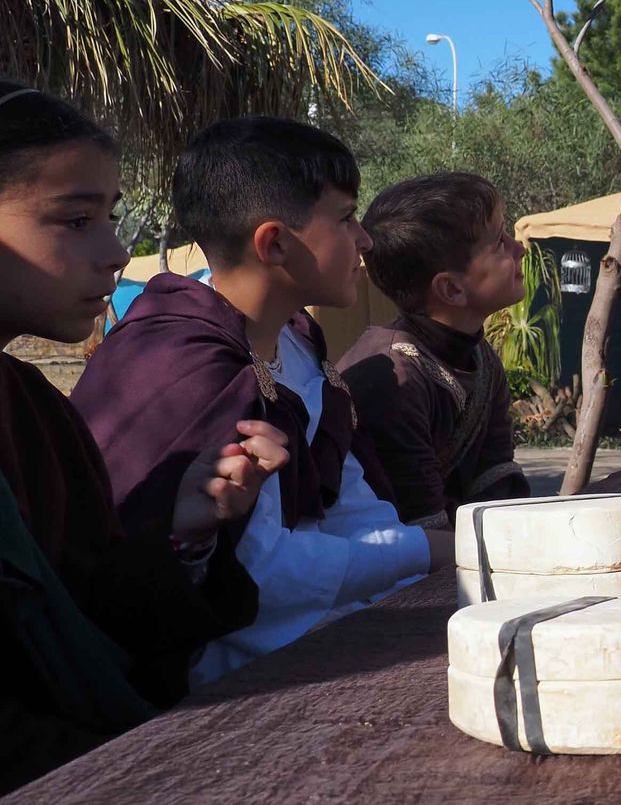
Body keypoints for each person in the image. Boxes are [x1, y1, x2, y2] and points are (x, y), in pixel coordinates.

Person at [73, 117, 451, 686]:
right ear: (274, 243)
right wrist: (429, 551)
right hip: (213, 681)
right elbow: (260, 576)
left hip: (319, 637)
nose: (365, 240)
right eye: (346, 218)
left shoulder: (296, 340)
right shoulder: (182, 360)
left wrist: (433, 554)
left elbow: (347, 504)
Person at [0, 83, 287, 792]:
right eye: (75, 220)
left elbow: (96, 619)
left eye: (111, 216)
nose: (114, 251)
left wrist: (187, 535)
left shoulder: (34, 410)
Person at [337, 173, 531, 528]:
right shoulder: (392, 379)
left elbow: (496, 481)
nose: (519, 249)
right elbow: (419, 524)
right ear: (452, 289)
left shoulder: (482, 360)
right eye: (498, 243)